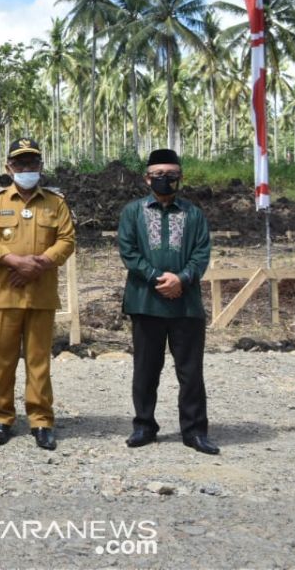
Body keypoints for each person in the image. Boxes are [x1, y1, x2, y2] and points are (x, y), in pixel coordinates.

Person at [0, 138, 75, 450]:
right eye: (20, 164)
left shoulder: (55, 203)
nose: (26, 168)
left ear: (40, 166)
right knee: (2, 361)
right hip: (5, 293)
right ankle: (1, 417)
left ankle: (41, 419)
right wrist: (15, 261)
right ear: (9, 168)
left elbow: (66, 239)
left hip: (41, 293)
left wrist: (41, 263)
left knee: (38, 361)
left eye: (32, 163)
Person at [119, 149, 218, 455]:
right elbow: (129, 250)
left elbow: (201, 253)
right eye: (159, 174)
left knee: (190, 371)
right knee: (146, 369)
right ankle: (144, 426)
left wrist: (182, 279)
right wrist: (156, 277)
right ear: (147, 178)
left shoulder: (193, 214)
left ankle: (194, 431)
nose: (165, 180)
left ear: (180, 177)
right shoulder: (133, 212)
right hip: (145, 302)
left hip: (185, 305)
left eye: (171, 174)